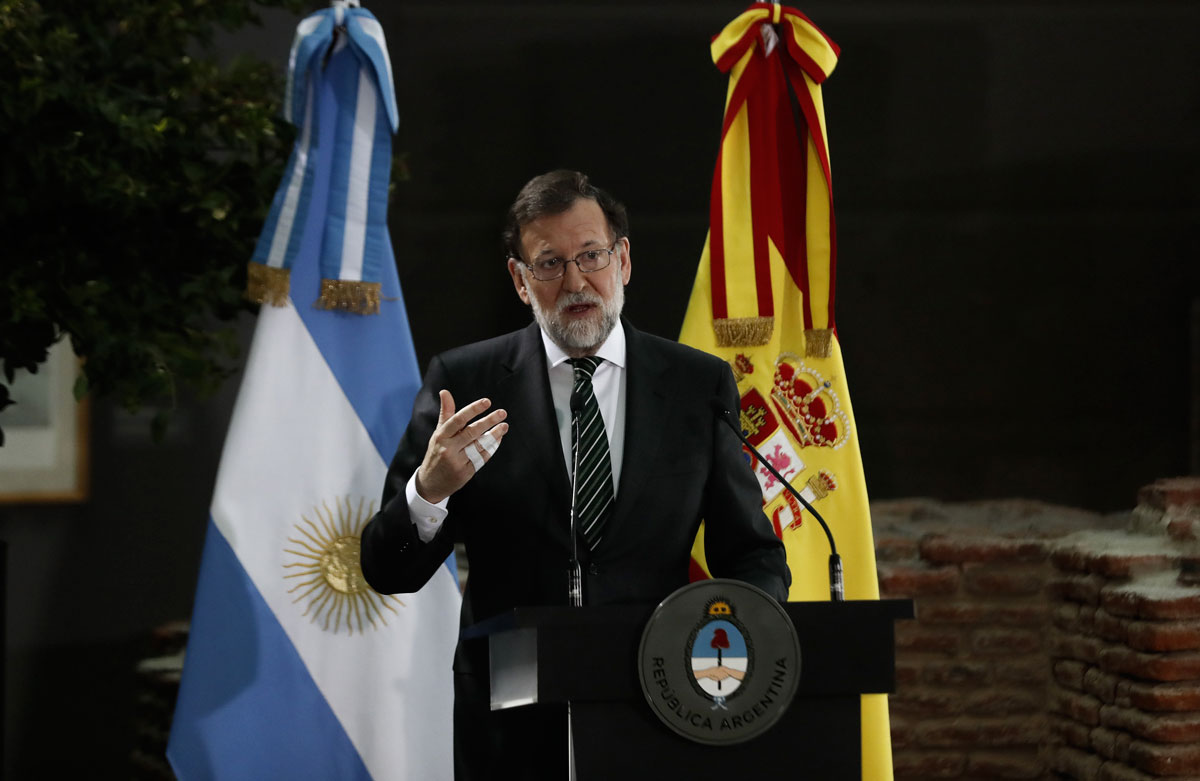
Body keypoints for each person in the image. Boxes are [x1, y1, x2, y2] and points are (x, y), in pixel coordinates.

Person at [360, 169, 789, 779]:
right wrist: (428, 493)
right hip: (509, 720)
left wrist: (733, 645)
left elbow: (754, 557)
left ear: (624, 261)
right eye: (549, 263)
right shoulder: (468, 383)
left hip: (662, 705)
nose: (576, 281)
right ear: (519, 279)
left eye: (591, 256)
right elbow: (386, 570)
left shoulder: (697, 386)